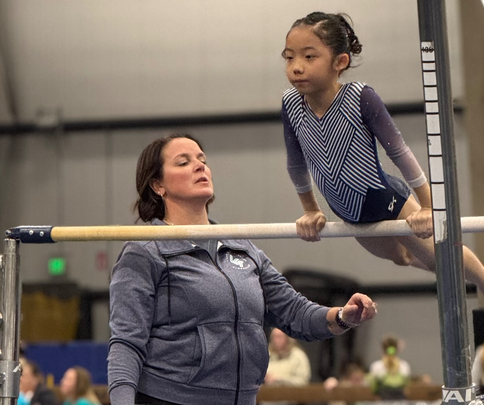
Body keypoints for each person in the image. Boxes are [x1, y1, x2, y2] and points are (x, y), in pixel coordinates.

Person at [107, 133, 377, 405]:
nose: (200, 166)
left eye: (202, 160)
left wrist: (344, 316)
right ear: (158, 185)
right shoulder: (144, 251)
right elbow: (126, 342)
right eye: (183, 162)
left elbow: (294, 311)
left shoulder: (242, 247)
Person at [280, 11, 484, 309]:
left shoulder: (360, 98)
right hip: (352, 213)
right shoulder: (291, 104)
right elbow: (296, 162)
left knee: (438, 258)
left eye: (309, 57)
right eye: (289, 57)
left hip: (387, 199)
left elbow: (399, 152)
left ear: (340, 62)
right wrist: (311, 210)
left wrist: (428, 206)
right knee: (402, 257)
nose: (296, 67)